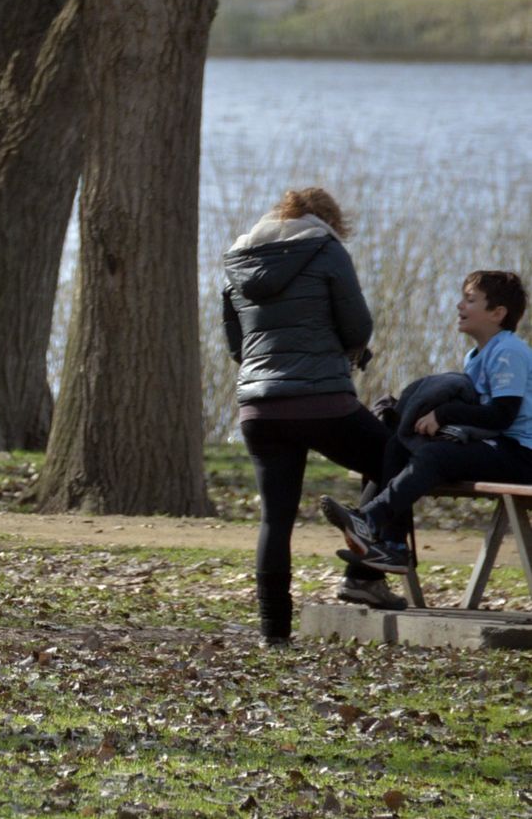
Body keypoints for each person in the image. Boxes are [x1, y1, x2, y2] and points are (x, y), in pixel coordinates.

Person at [221, 188, 399, 647]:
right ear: (330, 221)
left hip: (258, 407)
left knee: (275, 519)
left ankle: (273, 633)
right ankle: (363, 572)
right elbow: (358, 327)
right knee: (392, 459)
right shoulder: (326, 249)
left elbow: (239, 346)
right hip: (322, 400)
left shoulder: (238, 260)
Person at [322, 270, 532, 573]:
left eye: (470, 300)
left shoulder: (508, 351)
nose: (459, 305)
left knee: (435, 455)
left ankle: (368, 518)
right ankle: (393, 546)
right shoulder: (477, 355)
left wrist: (443, 415)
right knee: (397, 445)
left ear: (498, 313)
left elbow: (502, 415)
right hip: (494, 445)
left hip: (520, 455)